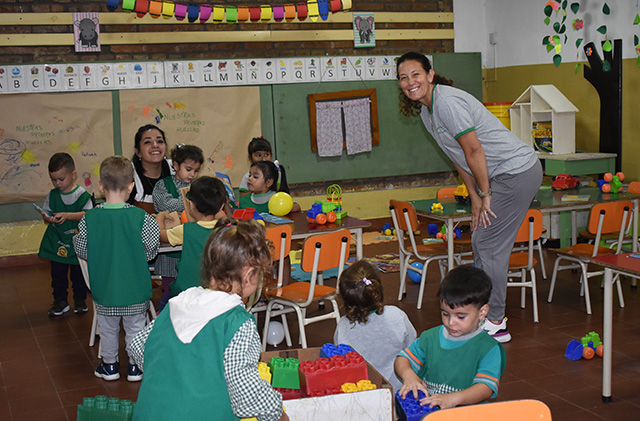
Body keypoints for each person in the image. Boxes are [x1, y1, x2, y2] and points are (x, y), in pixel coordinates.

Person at [397, 51, 542, 343]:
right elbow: (459, 158)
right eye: (403, 77)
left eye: (415, 74)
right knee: (482, 239)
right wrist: (475, 197)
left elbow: (474, 150)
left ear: (430, 74)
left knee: (487, 243)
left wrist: (486, 192)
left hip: (516, 172)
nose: (410, 81)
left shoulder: (447, 102)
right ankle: (483, 314)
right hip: (501, 175)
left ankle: (496, 321)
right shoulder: (428, 112)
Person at [131, 219, 289, 421]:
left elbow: (137, 346)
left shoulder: (177, 304)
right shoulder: (237, 322)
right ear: (249, 274)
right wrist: (276, 413)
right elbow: (245, 390)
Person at [73, 156, 160, 382]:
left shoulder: (88, 219)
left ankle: (110, 366)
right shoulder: (144, 218)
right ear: (131, 186)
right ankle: (135, 367)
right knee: (135, 329)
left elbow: (82, 248)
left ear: (101, 185)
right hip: (135, 287)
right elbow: (151, 251)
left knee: (108, 330)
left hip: (105, 288)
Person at [394, 266, 506, 410]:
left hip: (468, 414)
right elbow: (402, 359)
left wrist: (453, 399)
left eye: (460, 316)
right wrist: (409, 376)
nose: (451, 322)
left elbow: (485, 387)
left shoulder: (488, 348)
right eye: (445, 314)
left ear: (482, 312)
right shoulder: (430, 338)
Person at [334, 260, 416, 393]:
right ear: (377, 290)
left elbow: (341, 360)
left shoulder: (343, 326)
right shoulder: (397, 315)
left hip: (362, 390)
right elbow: (412, 347)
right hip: (400, 388)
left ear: (345, 299)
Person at [154, 176, 227, 312]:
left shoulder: (186, 230)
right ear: (221, 205)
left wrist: (160, 217)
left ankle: (160, 322)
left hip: (185, 291)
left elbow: (160, 235)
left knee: (164, 301)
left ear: (191, 205)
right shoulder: (226, 229)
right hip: (217, 290)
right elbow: (226, 219)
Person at [38, 152, 93, 316]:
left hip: (77, 242)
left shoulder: (82, 195)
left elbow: (88, 215)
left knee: (78, 275)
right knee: (58, 275)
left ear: (73, 175)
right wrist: (46, 217)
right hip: (58, 243)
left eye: (61, 179)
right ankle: (60, 301)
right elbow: (47, 211)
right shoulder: (52, 195)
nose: (57, 183)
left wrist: (68, 216)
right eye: (54, 179)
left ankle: (80, 301)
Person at [152, 144, 204, 292]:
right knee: (170, 286)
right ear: (176, 165)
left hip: (192, 242)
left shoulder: (199, 185)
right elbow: (164, 205)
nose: (192, 174)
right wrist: (192, 200)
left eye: (196, 171)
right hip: (169, 245)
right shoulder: (162, 185)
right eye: (188, 169)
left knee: (194, 283)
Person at [128, 124, 173, 214]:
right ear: (138, 151)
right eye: (148, 142)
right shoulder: (127, 174)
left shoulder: (176, 169)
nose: (155, 145)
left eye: (160, 141)